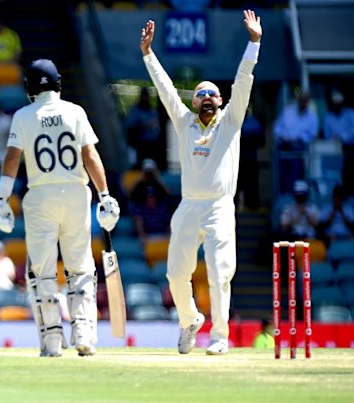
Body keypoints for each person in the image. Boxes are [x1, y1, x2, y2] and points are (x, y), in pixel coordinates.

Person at [139, 9, 262, 355]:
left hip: (220, 206)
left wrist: (254, 44)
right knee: (176, 274)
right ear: (193, 102)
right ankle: (189, 320)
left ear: (220, 101)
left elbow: (243, 82)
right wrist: (148, 54)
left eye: (212, 94)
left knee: (220, 272)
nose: (207, 97)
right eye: (200, 94)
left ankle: (220, 337)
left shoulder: (230, 122)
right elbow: (164, 89)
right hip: (189, 205)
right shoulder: (184, 122)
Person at [0, 59, 120, 357]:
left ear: (31, 87)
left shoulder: (23, 115)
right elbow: (90, 155)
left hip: (40, 197)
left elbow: (12, 158)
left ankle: (51, 341)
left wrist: (2, 199)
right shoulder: (75, 112)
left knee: (42, 272)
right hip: (76, 193)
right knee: (81, 267)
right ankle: (84, 333)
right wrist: (105, 195)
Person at [273, 90, 319, 194]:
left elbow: (312, 134)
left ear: (308, 102)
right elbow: (277, 127)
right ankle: (283, 196)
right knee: (282, 175)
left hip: (299, 149)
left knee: (296, 175)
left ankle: (295, 196)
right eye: (301, 100)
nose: (303, 103)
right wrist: (282, 136)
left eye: (305, 101)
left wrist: (298, 138)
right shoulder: (288, 111)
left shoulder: (312, 117)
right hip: (284, 148)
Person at [129, 158, 172, 242]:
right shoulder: (140, 185)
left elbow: (168, 194)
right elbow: (130, 195)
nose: (149, 174)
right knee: (137, 214)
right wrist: (141, 176)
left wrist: (157, 177)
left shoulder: (158, 184)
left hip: (161, 229)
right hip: (145, 219)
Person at [323, 89, 354, 196]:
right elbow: (327, 135)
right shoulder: (328, 117)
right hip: (334, 151)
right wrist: (333, 138)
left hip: (350, 149)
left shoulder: (350, 113)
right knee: (337, 176)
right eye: (335, 103)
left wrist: (342, 137)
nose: (337, 105)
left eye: (339, 103)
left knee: (349, 174)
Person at [236, 101, 266, 210]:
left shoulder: (254, 123)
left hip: (250, 157)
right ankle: (236, 204)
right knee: (237, 183)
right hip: (237, 159)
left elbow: (261, 141)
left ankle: (252, 205)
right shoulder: (234, 122)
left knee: (252, 182)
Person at [124, 86, 162, 168]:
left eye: (147, 96)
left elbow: (157, 125)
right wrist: (145, 124)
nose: (145, 98)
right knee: (140, 165)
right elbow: (130, 125)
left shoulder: (152, 111)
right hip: (139, 144)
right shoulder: (135, 111)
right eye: (144, 96)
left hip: (153, 144)